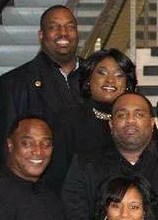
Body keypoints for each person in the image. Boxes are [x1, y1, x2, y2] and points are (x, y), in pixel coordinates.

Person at [62, 91, 158, 220]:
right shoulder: (85, 164)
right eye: (122, 115)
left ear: (152, 123)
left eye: (139, 114)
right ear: (111, 125)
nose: (130, 120)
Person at [0, 5, 82, 170]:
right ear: (41, 35)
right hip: (44, 184)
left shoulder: (97, 77)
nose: (63, 33)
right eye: (54, 27)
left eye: (70, 27)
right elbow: (4, 152)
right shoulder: (14, 83)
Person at [45, 48, 136, 192]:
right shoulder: (67, 121)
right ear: (88, 79)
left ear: (127, 85)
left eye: (119, 75)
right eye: (102, 73)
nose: (110, 80)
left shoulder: (138, 120)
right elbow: (56, 176)